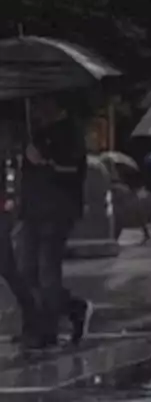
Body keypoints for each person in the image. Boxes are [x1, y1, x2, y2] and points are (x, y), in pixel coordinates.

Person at [17, 96, 92, 349]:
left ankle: (47, 329)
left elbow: (73, 171)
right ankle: (69, 309)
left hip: (57, 211)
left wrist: (45, 162)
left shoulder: (70, 133)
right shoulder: (36, 133)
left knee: (47, 273)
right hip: (32, 211)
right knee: (27, 271)